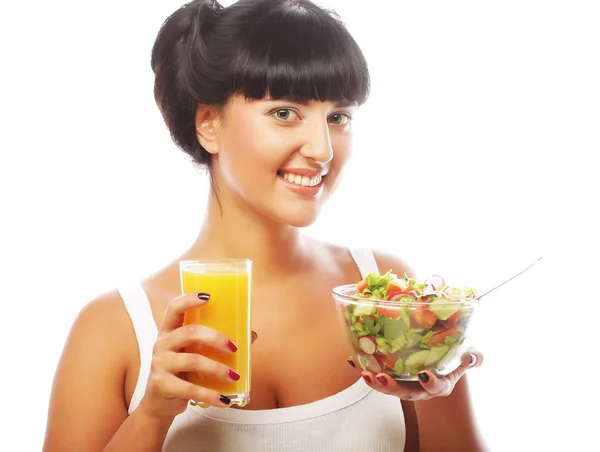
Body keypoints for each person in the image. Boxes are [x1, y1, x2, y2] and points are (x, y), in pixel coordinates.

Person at [43, 0, 486, 450]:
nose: (322, 150)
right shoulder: (112, 330)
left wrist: (434, 383)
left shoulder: (385, 300)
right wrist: (154, 412)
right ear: (208, 124)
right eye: (284, 112)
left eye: (338, 117)